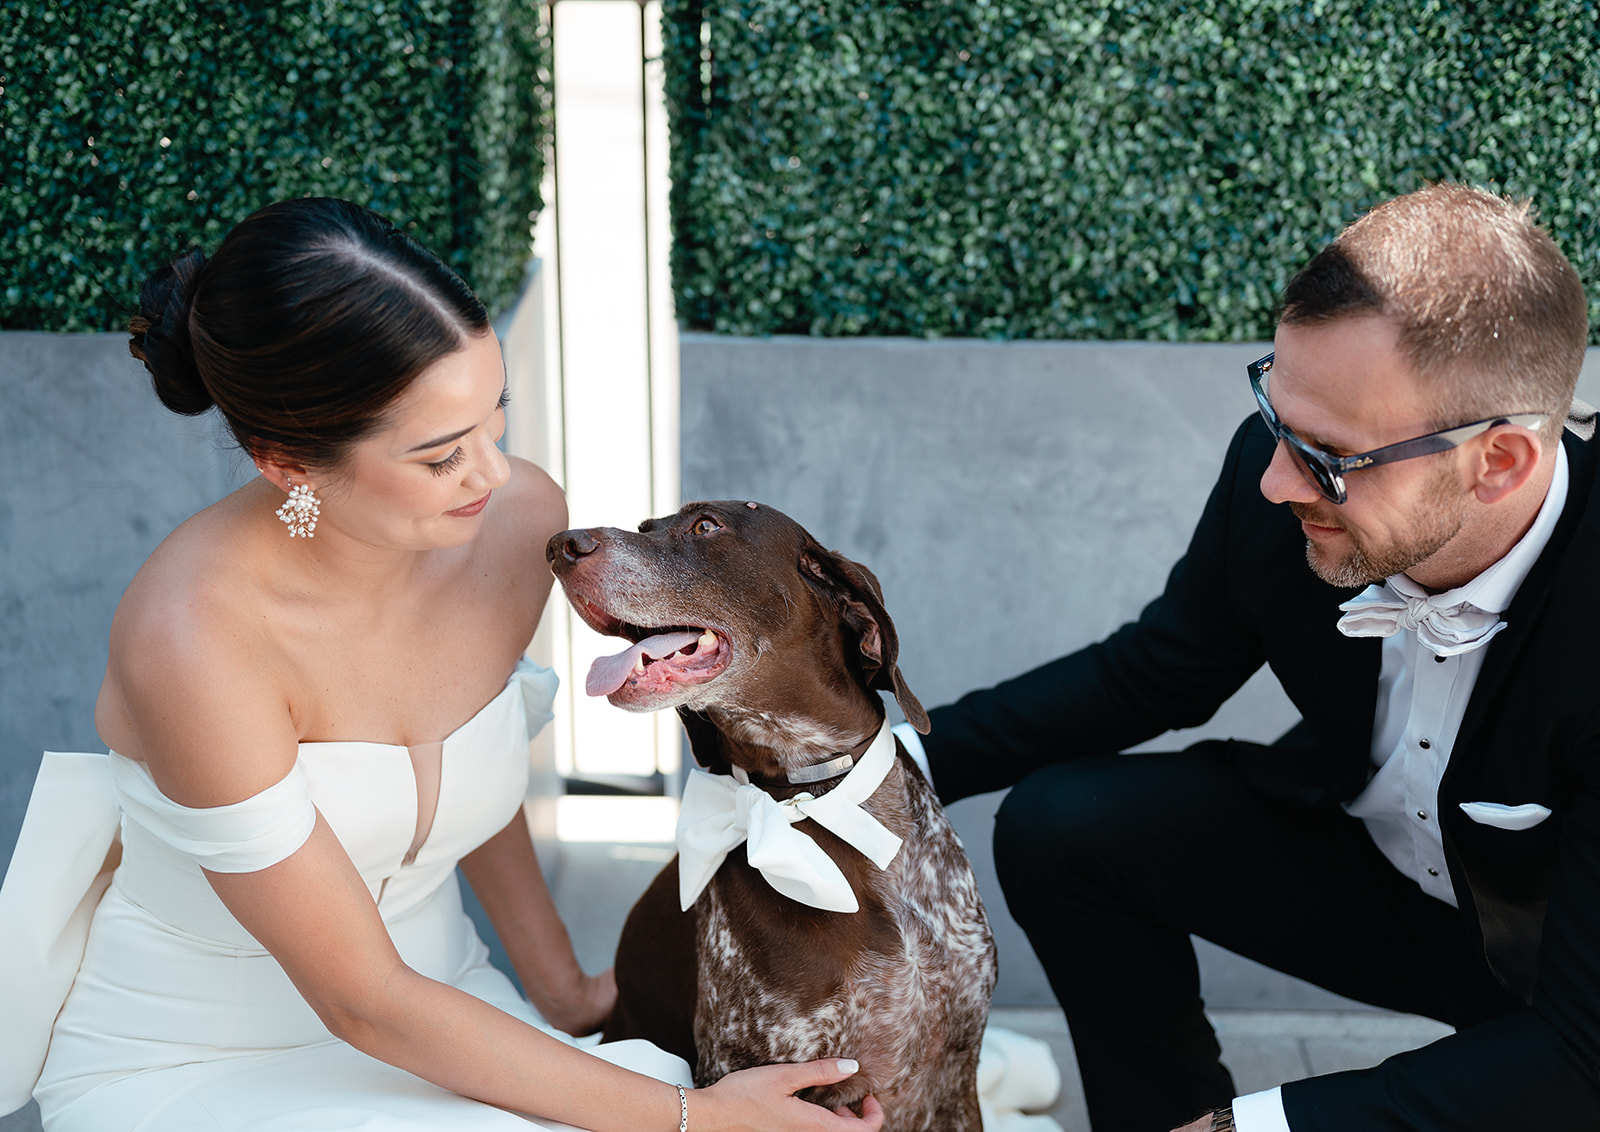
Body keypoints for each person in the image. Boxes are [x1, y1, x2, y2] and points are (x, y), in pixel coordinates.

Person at [0, 198, 882, 1132]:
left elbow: (471, 761)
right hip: (205, 1063)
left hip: (451, 1011)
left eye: (493, 418)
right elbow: (362, 1000)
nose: (494, 476)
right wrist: (697, 1115)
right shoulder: (196, 637)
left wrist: (566, 992)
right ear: (284, 461)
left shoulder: (512, 528)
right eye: (440, 456)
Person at [898, 183, 1600, 1131]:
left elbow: (1580, 1053)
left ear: (1501, 462)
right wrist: (891, 767)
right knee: (1065, 826)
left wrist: (1257, 1127)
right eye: (1274, 417)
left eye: (1325, 454)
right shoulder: (1280, 479)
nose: (1275, 480)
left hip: (1561, 977)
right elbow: (1155, 669)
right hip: (1380, 874)